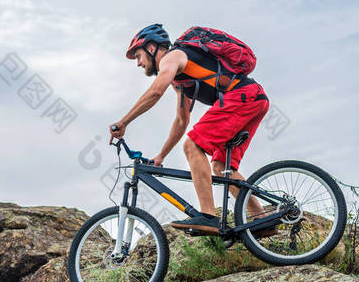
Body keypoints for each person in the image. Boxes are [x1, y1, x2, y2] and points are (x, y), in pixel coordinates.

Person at [109, 23, 274, 236]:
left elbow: (155, 92)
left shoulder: (174, 56)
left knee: (192, 145)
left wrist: (124, 122)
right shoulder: (181, 79)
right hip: (253, 97)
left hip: (241, 96)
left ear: (152, 48)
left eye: (138, 55)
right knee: (221, 165)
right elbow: (181, 120)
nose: (138, 63)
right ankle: (261, 220)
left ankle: (208, 216)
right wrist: (161, 156)